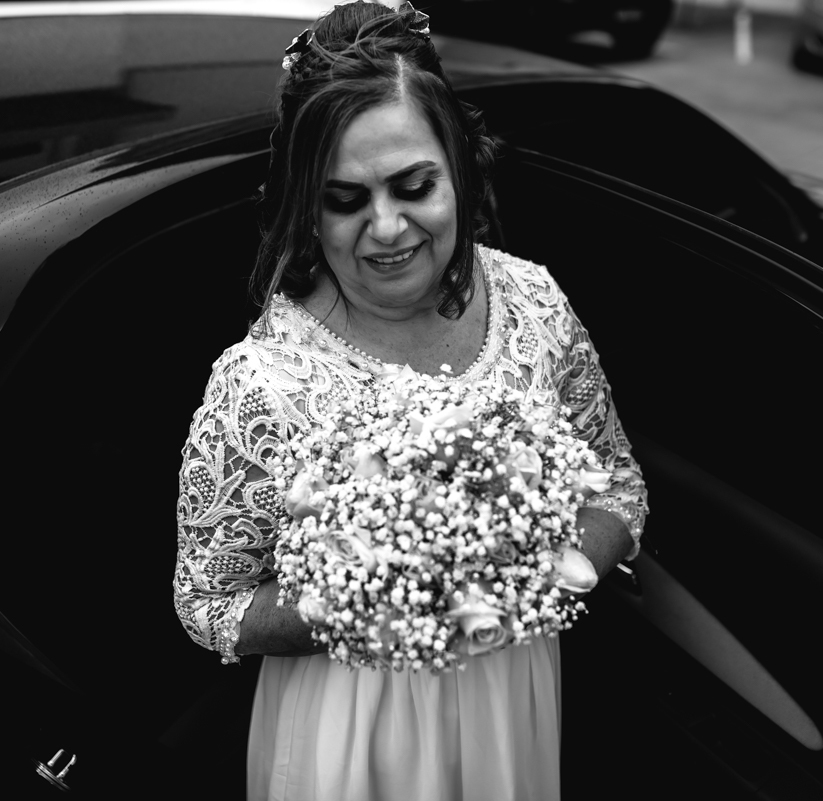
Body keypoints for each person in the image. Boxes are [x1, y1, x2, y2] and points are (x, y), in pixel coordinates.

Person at [173, 3, 648, 798]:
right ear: (306, 204)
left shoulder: (534, 303)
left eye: (414, 185)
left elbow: (618, 484)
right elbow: (209, 602)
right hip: (351, 735)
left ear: (458, 168)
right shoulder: (262, 385)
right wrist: (373, 596)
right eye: (345, 199)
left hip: (512, 697)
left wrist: (538, 574)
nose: (387, 227)